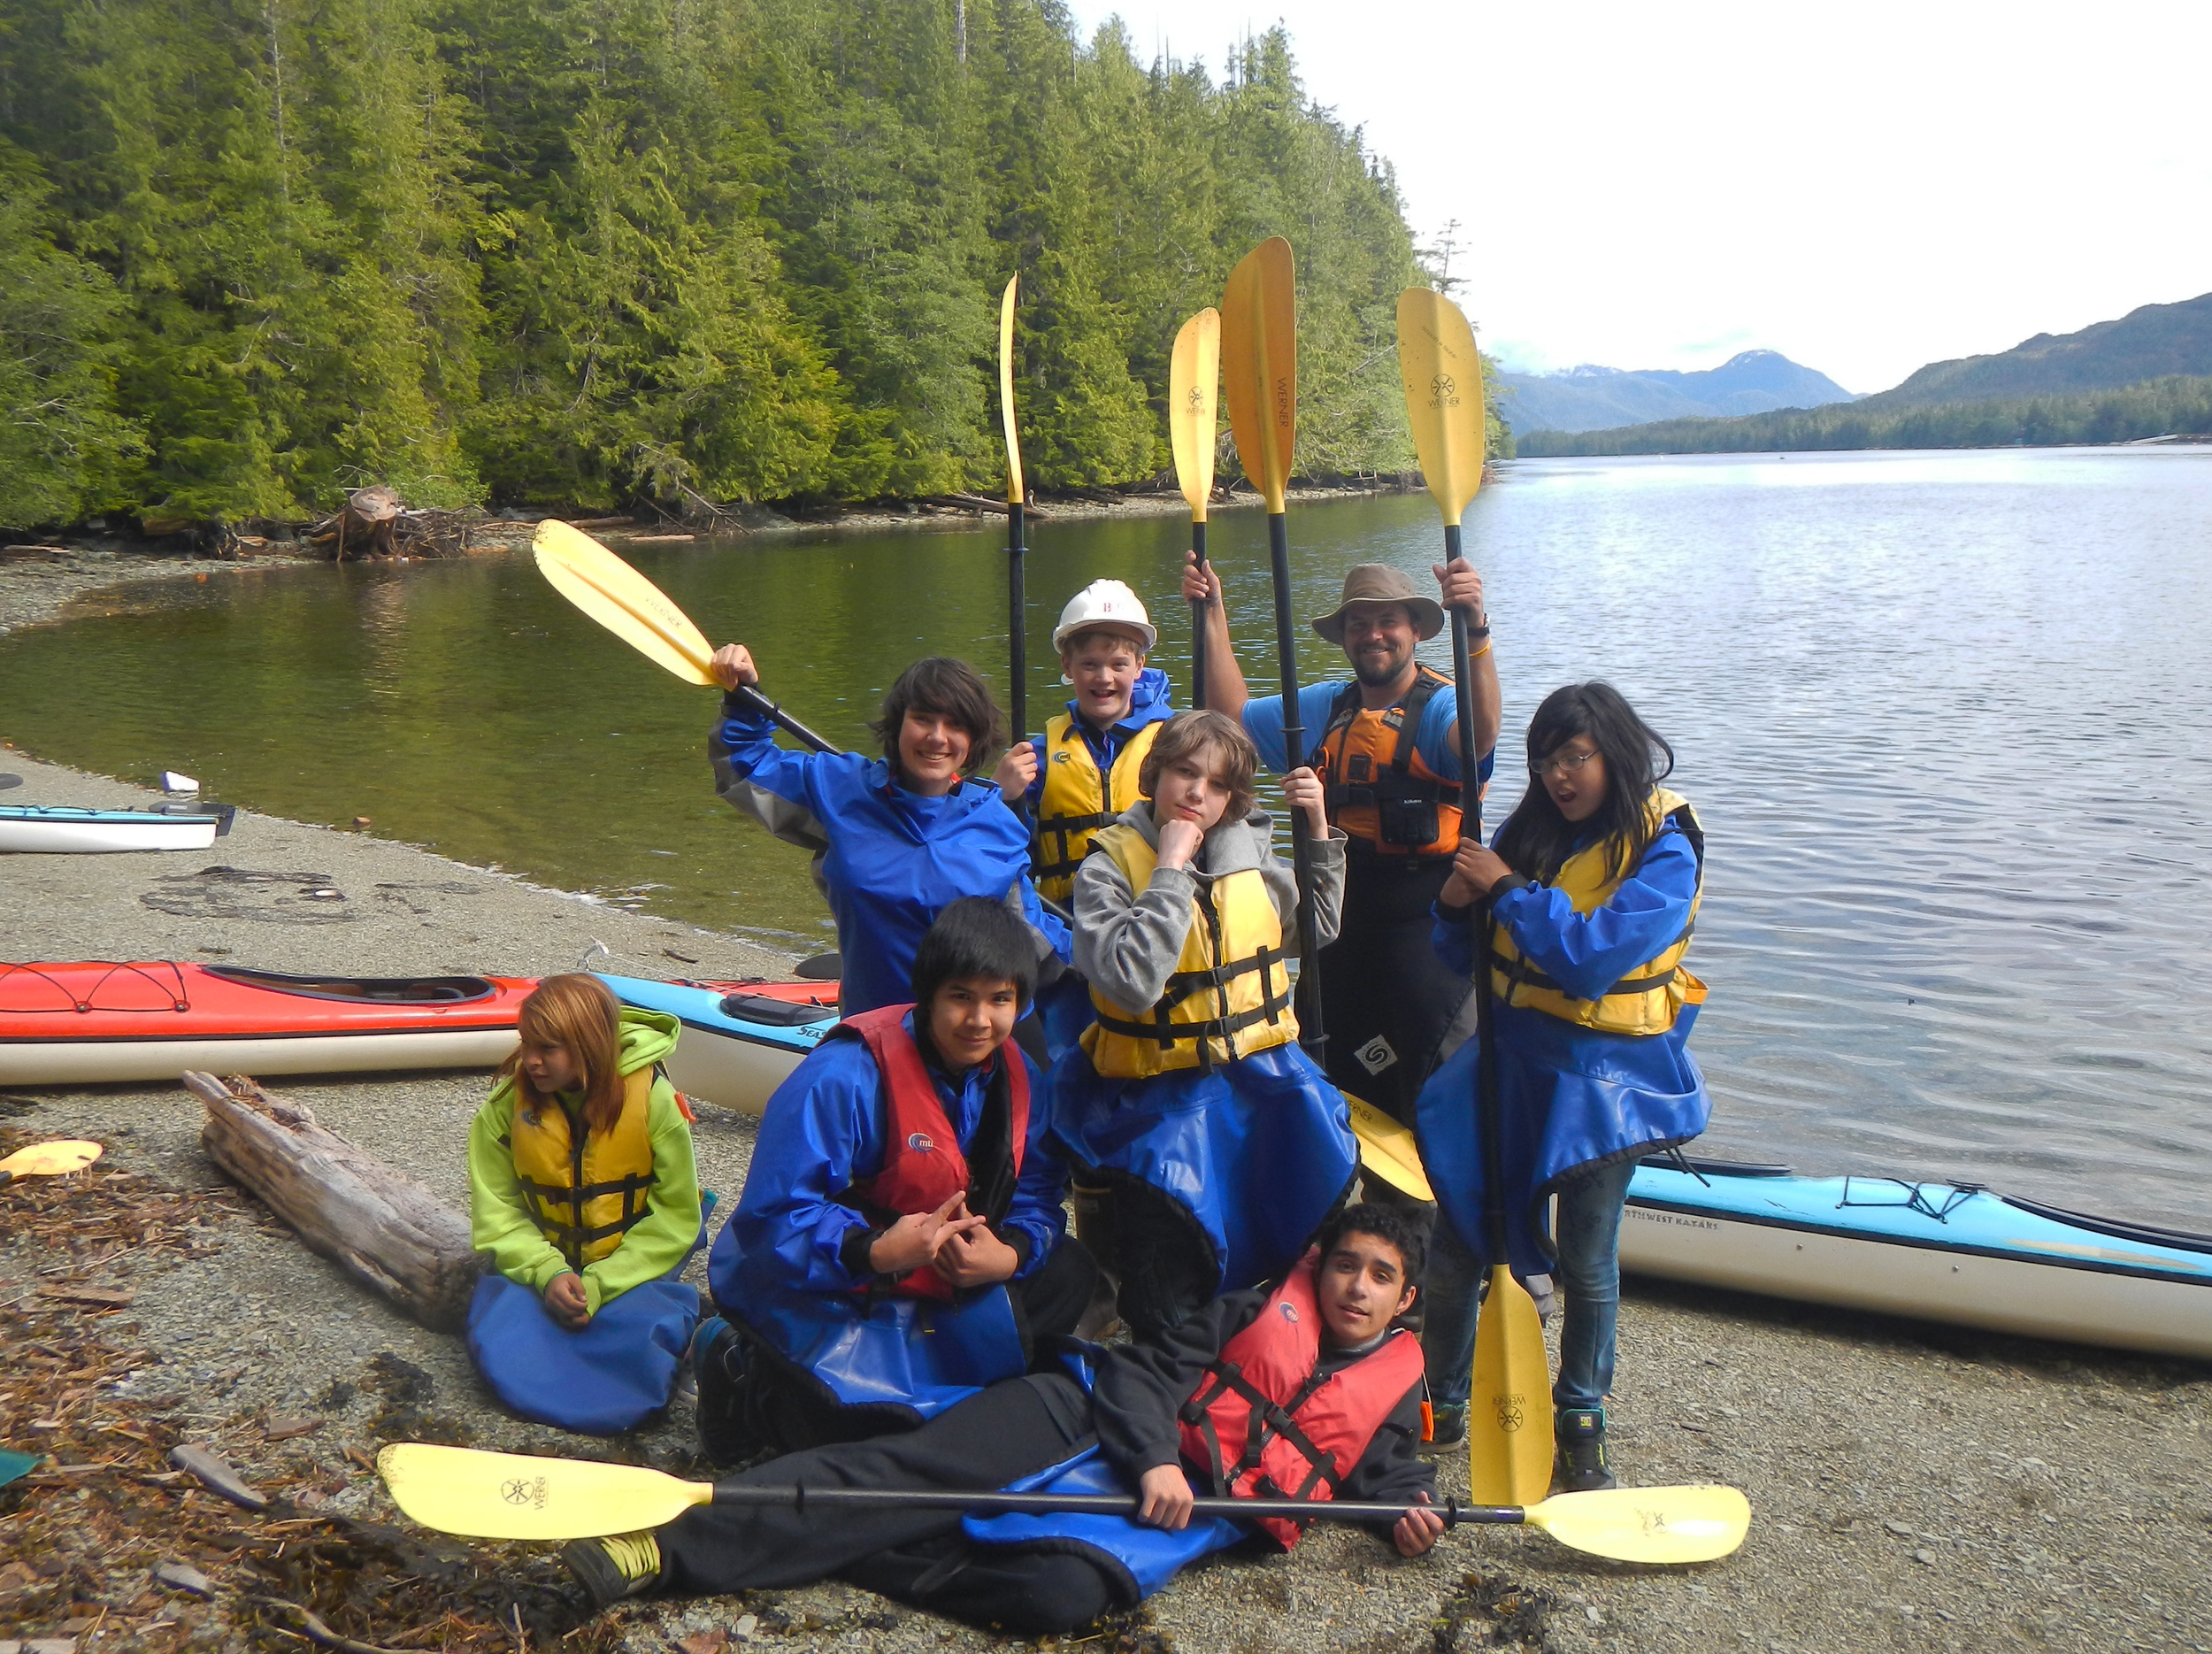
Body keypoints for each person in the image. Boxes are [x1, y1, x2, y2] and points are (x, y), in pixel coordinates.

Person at [565, 1204, 1442, 1633]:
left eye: (1379, 1278)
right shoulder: (1247, 1314)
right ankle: (667, 1541)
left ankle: (829, 1535)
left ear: (1403, 1304)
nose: (1356, 1288)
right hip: (1089, 1422)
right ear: (1318, 1268)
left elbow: (1384, 1471)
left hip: (1172, 1520)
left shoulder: (1394, 1386)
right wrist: (1153, 1461)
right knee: (907, 1478)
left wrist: (1412, 1512)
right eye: (1345, 1267)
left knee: (1054, 1598)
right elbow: (1139, 1375)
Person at [1414, 682, 1709, 1487]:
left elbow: (1588, 960)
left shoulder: (1666, 845)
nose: (1559, 779)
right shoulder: (1531, 830)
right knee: (1458, 1240)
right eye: (1545, 763)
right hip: (1508, 1061)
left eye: (1574, 759)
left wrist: (1506, 888)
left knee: (1586, 1256)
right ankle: (1438, 1403)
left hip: (1605, 1078)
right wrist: (1452, 898)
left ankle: (1581, 1422)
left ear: (1614, 750)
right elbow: (1460, 955)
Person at [695, 898, 1096, 1462]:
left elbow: (1037, 1194)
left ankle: (933, 1383)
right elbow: (774, 1218)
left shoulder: (1020, 1076)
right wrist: (875, 1250)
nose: (980, 1021)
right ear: (928, 994)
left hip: (940, 1273)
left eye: (999, 1000)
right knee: (838, 1438)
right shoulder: (845, 1076)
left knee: (1070, 1272)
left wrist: (1011, 1253)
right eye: (961, 997)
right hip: (843, 1276)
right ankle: (734, 1364)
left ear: (1020, 1004)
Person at [1049, 708, 1356, 1339]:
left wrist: (1320, 826)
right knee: (1168, 1284)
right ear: (1154, 775)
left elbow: (1318, 926)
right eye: (1185, 773)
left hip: (1257, 1088)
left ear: (1233, 799)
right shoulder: (1106, 868)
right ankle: (1163, 1381)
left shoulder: (1249, 855)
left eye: (1216, 785)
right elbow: (1132, 981)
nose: (1197, 792)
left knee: (1306, 1218)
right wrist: (1169, 868)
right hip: (1160, 1107)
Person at [1183, 556, 1499, 1133]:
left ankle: (1435, 1205)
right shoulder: (1327, 706)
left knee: (1429, 1084)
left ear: (1418, 630)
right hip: (1341, 924)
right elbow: (1228, 717)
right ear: (1345, 637)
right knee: (1334, 1072)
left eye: (1387, 622)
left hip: (1426, 930)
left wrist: (1475, 627)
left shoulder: (1442, 707)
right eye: (1359, 623)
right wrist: (1213, 613)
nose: (1373, 634)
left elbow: (1478, 739)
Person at [709, 647, 1066, 1018]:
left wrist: (1108, 958)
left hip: (974, 1037)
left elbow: (1035, 940)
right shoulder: (838, 789)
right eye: (923, 719)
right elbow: (741, 767)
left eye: (956, 725)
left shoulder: (998, 826)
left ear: (973, 741)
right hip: (872, 1031)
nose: (937, 738)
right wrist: (743, 696)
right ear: (898, 725)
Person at [465, 974, 703, 1435]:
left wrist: (599, 1285)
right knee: (501, 1338)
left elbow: (676, 1217)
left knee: (644, 1335)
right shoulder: (504, 1110)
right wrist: (548, 1272)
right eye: (526, 1042)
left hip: (634, 1262)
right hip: (540, 1260)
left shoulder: (653, 1101)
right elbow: (498, 1213)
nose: (530, 1060)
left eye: (548, 1048)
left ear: (590, 1046)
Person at [993, 579, 1177, 1058]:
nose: (1104, 678)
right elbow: (1007, 849)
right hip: (1063, 932)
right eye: (1089, 665)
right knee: (1069, 1058)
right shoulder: (1037, 753)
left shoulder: (1177, 743)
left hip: (1145, 925)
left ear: (1140, 665)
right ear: (1067, 667)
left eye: (1118, 664)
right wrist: (1003, 797)